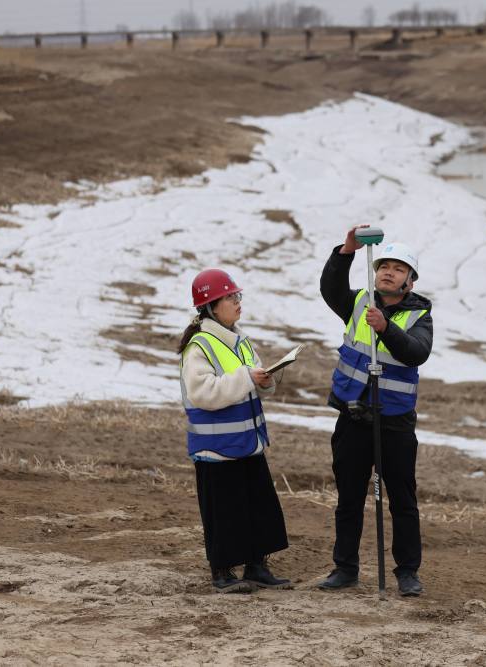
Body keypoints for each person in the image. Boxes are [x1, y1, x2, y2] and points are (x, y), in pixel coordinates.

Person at [317, 225, 433, 597]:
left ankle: (408, 572)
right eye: (384, 266)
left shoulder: (419, 316)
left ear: (410, 281)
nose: (388, 272)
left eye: (398, 269)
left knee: (403, 501)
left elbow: (416, 352)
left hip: (394, 423)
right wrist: (346, 252)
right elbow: (330, 289)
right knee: (349, 498)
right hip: (353, 417)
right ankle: (345, 568)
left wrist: (385, 328)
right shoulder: (358, 302)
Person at [178, 268, 291, 593]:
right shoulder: (199, 346)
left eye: (237, 296)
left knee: (257, 506)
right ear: (211, 307)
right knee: (224, 512)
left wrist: (264, 380)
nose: (237, 302)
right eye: (230, 298)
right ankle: (222, 572)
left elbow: (250, 381)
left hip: (247, 443)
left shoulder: (240, 341)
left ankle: (257, 566)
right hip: (216, 447)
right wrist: (246, 378)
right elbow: (202, 393)